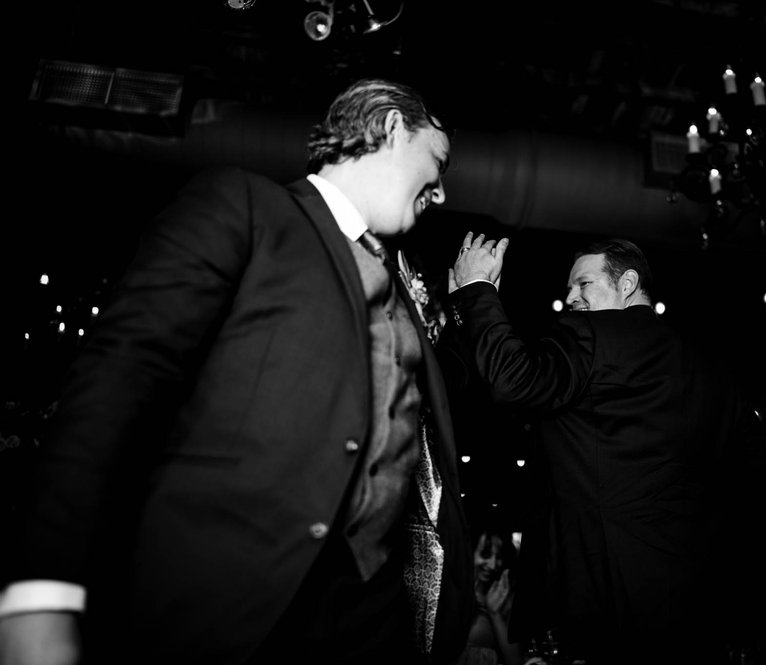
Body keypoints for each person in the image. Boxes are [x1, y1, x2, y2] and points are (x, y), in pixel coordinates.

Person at [0, 78, 474, 665]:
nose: (444, 191)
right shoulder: (248, 209)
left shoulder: (404, 282)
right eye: (439, 160)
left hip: (367, 618)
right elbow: (117, 385)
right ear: (393, 128)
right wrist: (41, 593)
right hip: (226, 608)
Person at [439, 234, 766, 664]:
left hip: (606, 606)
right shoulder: (708, 365)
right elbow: (763, 469)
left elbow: (513, 381)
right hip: (699, 612)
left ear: (626, 284)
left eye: (583, 284)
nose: (570, 298)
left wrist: (477, 289)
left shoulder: (589, 336)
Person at [457, 512, 524, 665]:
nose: (493, 565)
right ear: (469, 551)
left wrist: (495, 614)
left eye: (499, 556)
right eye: (485, 554)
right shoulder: (451, 592)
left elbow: (515, 661)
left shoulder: (501, 595)